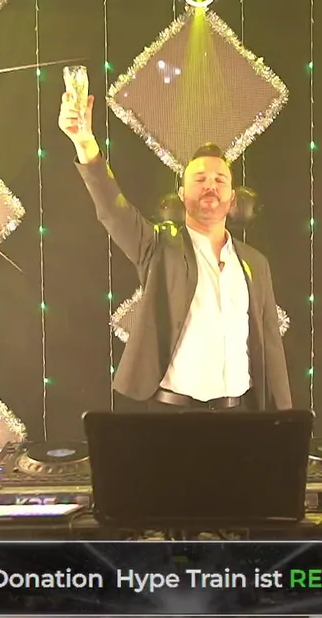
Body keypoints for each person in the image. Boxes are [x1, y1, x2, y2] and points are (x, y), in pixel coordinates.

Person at [58, 90, 291, 411]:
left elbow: (271, 348)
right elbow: (113, 211)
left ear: (232, 197)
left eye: (220, 179)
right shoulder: (159, 246)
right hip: (173, 413)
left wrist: (283, 421)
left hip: (238, 414)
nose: (210, 186)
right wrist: (85, 144)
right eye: (200, 179)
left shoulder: (255, 263)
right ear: (182, 194)